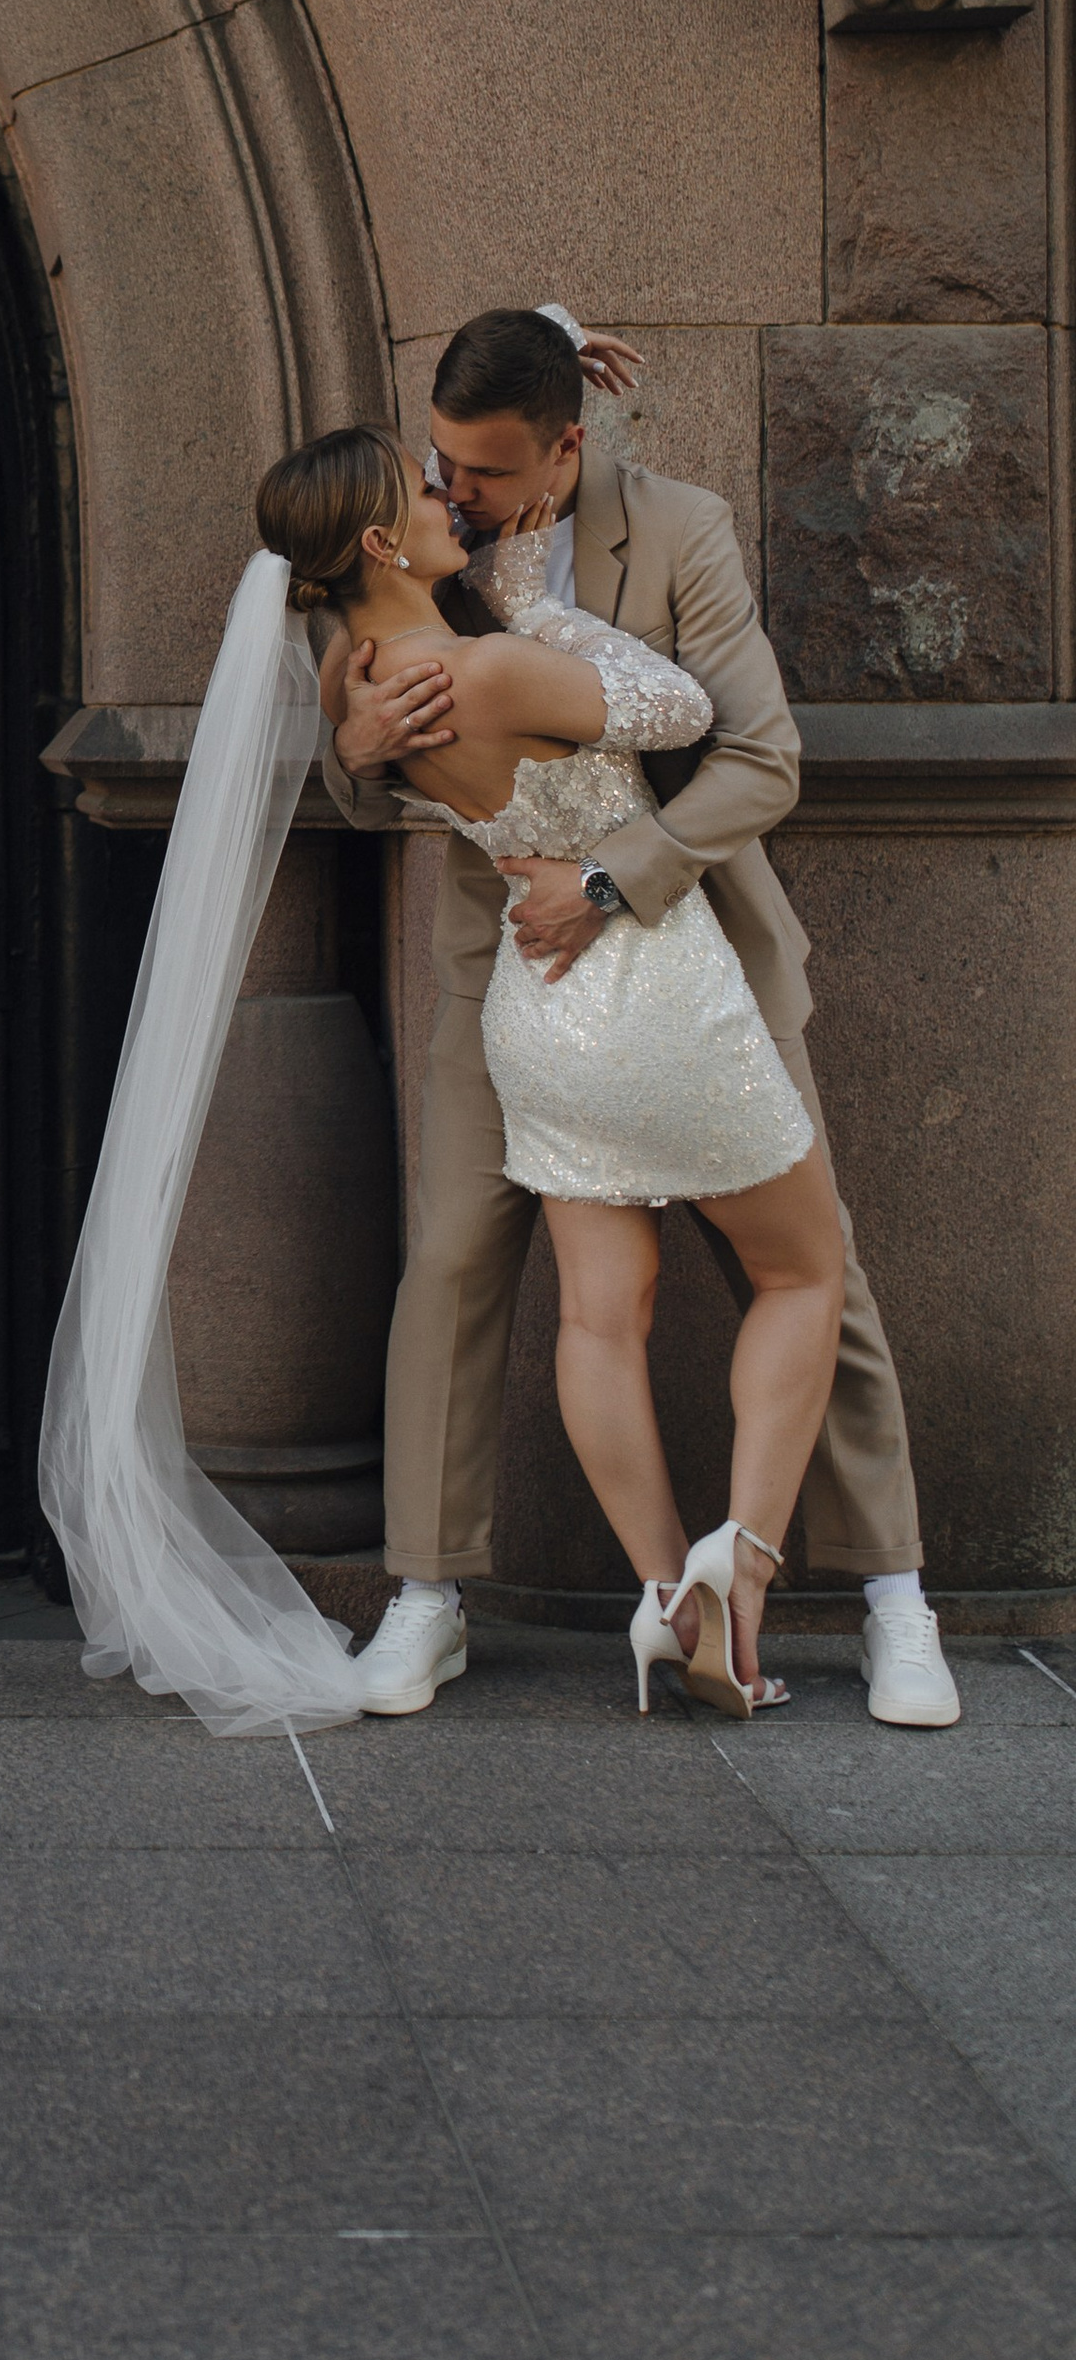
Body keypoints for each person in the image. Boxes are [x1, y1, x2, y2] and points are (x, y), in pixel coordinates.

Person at [323, 308, 956, 1730]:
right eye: (441, 463)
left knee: (823, 1273)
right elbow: (359, 758)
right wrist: (357, 751)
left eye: (487, 472)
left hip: (695, 952)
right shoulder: (406, 535)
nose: (455, 493)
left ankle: (892, 1595)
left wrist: (610, 881)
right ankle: (428, 1595)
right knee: (455, 1260)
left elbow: (760, 758)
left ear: (568, 446)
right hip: (505, 975)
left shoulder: (679, 530)